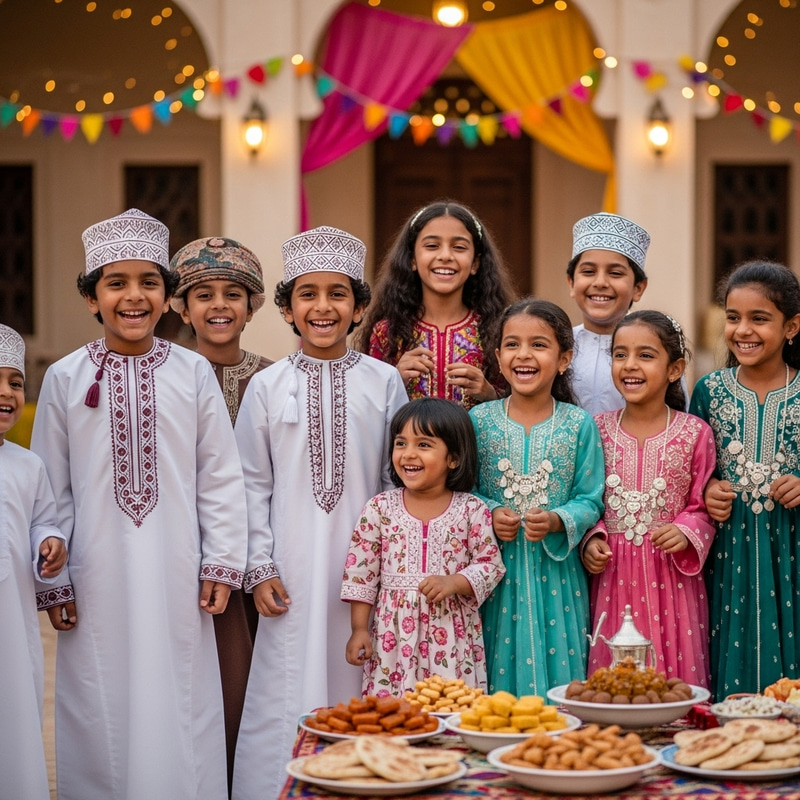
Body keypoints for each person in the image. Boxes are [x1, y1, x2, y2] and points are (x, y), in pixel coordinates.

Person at [31, 209, 248, 800]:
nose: (133, 296)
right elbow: (51, 487)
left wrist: (222, 563)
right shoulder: (66, 378)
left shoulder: (193, 372)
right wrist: (55, 577)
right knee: (99, 699)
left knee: (180, 694)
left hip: (181, 573)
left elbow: (220, 478)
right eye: (115, 283)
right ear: (91, 298)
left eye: (149, 282)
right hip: (95, 573)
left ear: (166, 296)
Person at [231, 226, 408, 800]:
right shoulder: (265, 385)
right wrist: (258, 567)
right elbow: (249, 485)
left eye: (338, 294)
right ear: (286, 308)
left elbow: (395, 479)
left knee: (362, 680)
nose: (323, 306)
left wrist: (389, 566)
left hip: (368, 572)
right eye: (307, 294)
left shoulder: (384, 381)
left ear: (359, 306)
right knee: (285, 686)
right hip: (289, 571)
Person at [170, 236, 272, 793]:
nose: (218, 306)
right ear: (180, 307)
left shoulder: (274, 376)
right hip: (190, 555)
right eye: (201, 294)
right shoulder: (165, 374)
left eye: (233, 293)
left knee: (254, 684)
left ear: (253, 305)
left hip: (263, 555)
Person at [470, 298, 604, 695]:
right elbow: (464, 493)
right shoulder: (478, 422)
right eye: (512, 345)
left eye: (539, 345)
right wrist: (491, 512)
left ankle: (559, 748)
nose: (523, 355)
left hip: (559, 576)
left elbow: (591, 497)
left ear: (564, 359)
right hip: (495, 572)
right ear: (497, 356)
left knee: (562, 663)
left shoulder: (579, 424)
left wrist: (560, 519)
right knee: (497, 664)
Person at [581, 311, 716, 687]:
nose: (630, 365)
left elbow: (702, 504)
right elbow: (586, 497)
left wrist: (686, 530)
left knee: (674, 671)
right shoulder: (595, 429)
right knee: (614, 681)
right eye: (620, 354)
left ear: (675, 369)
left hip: (672, 573)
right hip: (613, 572)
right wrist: (592, 538)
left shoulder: (695, 433)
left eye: (645, 355)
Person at [342, 398, 505, 697]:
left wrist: (455, 582)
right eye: (401, 443)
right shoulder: (380, 508)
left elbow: (491, 565)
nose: (408, 454)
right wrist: (359, 630)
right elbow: (360, 574)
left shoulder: (472, 509)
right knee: (393, 716)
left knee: (452, 709)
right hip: (392, 640)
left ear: (453, 458)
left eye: (424, 445)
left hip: (453, 641)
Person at [690, 260, 800, 698]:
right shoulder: (709, 391)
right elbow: (692, 469)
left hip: (790, 552)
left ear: (791, 326)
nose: (742, 330)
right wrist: (709, 490)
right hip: (730, 554)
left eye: (760, 318)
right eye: (733, 318)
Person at [355, 200, 515, 409]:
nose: (445, 256)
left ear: (475, 263)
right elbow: (366, 410)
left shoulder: (498, 330)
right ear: (412, 259)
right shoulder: (386, 333)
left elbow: (523, 408)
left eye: (459, 247)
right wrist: (395, 381)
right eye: (432, 246)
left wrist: (490, 394)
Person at [0, 324, 68, 800]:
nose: (6, 393)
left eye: (15, 382)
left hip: (11, 628)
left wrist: (50, 543)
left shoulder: (28, 466)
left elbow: (42, 521)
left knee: (13, 715)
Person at [567, 212, 650, 415]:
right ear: (571, 283)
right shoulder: (557, 346)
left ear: (638, 288)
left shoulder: (655, 350)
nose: (600, 283)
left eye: (615, 273)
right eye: (588, 272)